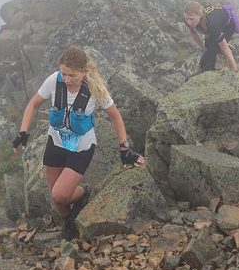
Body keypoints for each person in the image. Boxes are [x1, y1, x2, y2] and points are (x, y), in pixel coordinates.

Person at [12, 46, 145, 239]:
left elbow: (115, 116)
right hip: (55, 143)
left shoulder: (94, 88)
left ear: (84, 71)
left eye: (72, 75)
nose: (67, 79)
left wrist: (124, 148)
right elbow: (33, 104)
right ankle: (69, 222)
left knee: (60, 195)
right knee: (56, 196)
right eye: (64, 73)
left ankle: (83, 193)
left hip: (80, 148)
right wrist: (22, 133)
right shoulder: (54, 81)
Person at [182, 0, 239, 72]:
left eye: (191, 19)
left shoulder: (211, 25)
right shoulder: (188, 18)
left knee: (205, 61)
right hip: (214, 26)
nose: (189, 22)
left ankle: (223, 41)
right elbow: (193, 33)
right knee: (209, 50)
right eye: (186, 18)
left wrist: (234, 69)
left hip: (228, 25)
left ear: (200, 15)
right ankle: (211, 70)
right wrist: (203, 48)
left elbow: (225, 48)